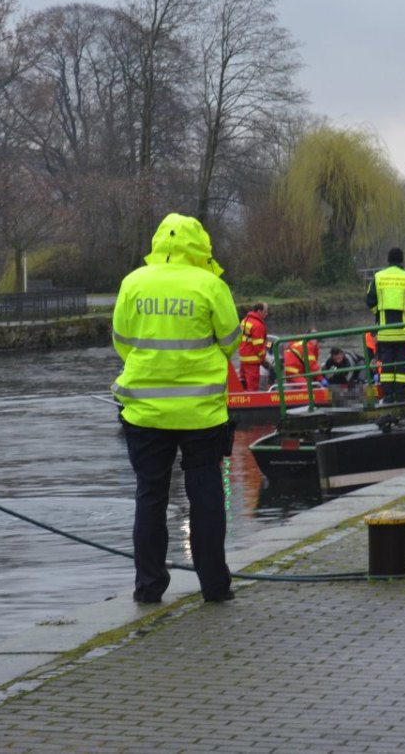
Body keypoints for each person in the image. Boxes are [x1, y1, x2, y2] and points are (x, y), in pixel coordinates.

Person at [111, 212, 240, 605]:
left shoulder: (133, 283)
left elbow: (121, 339)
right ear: (199, 246)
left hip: (145, 412)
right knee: (205, 496)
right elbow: (231, 340)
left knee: (150, 495)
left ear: (158, 243)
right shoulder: (210, 284)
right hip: (202, 413)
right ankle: (215, 587)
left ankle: (149, 588)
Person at [365, 247, 405, 403]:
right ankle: (401, 394)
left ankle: (387, 395)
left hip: (385, 330)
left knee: (387, 362)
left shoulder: (378, 277)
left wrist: (379, 315)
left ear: (388, 259)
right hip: (404, 330)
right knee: (402, 362)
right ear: (402, 260)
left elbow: (370, 301)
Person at [236, 302, 269, 391]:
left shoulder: (245, 320)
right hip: (252, 360)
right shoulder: (258, 325)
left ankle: (242, 401)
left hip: (243, 358)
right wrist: (264, 359)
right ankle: (251, 403)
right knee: (252, 386)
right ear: (259, 311)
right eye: (265, 311)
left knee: (243, 382)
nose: (267, 314)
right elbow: (258, 347)